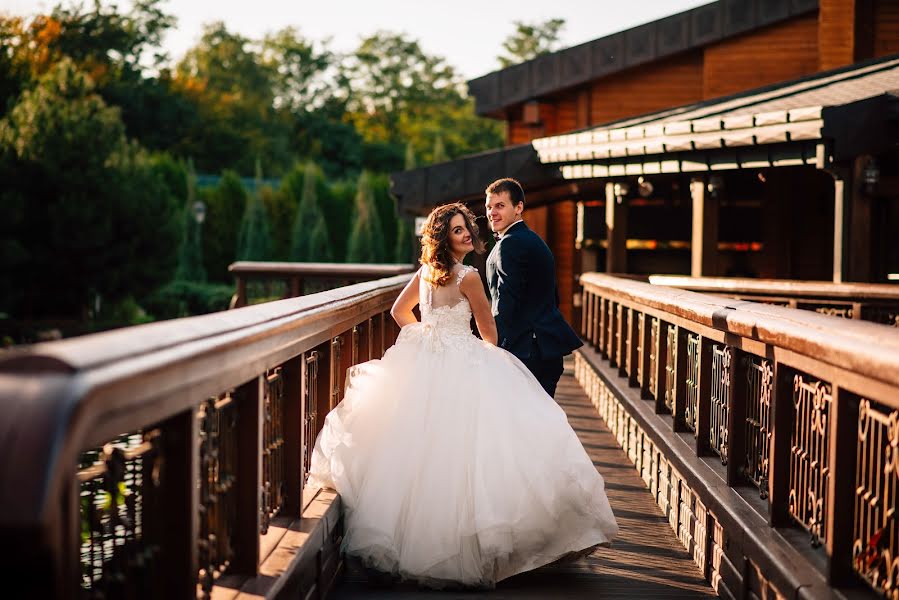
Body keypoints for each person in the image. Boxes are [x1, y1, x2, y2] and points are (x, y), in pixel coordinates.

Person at [308, 202, 617, 589]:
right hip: (461, 358)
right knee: (475, 450)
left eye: (466, 227)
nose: (467, 234)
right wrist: (468, 345)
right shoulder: (469, 276)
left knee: (422, 453)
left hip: (425, 360)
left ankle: (414, 541)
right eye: (458, 230)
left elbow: (399, 311)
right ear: (445, 239)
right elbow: (490, 334)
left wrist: (425, 334)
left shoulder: (425, 273)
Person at [485, 178, 583, 398]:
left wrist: (493, 345)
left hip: (527, 351)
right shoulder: (530, 239)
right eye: (489, 207)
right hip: (543, 348)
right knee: (540, 422)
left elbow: (506, 302)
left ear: (519, 207)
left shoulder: (511, 243)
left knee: (523, 423)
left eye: (500, 205)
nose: (492, 212)